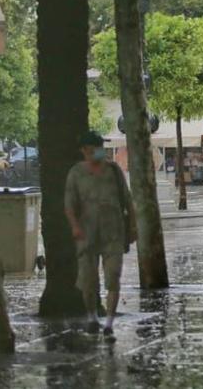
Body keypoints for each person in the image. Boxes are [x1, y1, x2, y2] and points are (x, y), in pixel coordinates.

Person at [65, 131, 137, 337]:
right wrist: (75, 227)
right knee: (88, 280)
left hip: (113, 233)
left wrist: (132, 227)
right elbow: (69, 204)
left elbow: (128, 201)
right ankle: (92, 317)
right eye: (89, 149)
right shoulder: (76, 174)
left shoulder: (114, 171)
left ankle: (109, 324)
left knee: (113, 276)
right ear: (83, 151)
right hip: (86, 235)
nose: (94, 153)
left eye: (96, 148)